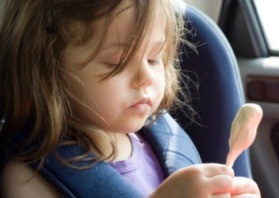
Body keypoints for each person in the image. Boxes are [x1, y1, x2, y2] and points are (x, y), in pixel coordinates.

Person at [0, 0, 260, 197]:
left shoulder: (161, 137)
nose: (145, 78)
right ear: (48, 67)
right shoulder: (28, 177)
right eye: (116, 63)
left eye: (154, 59)